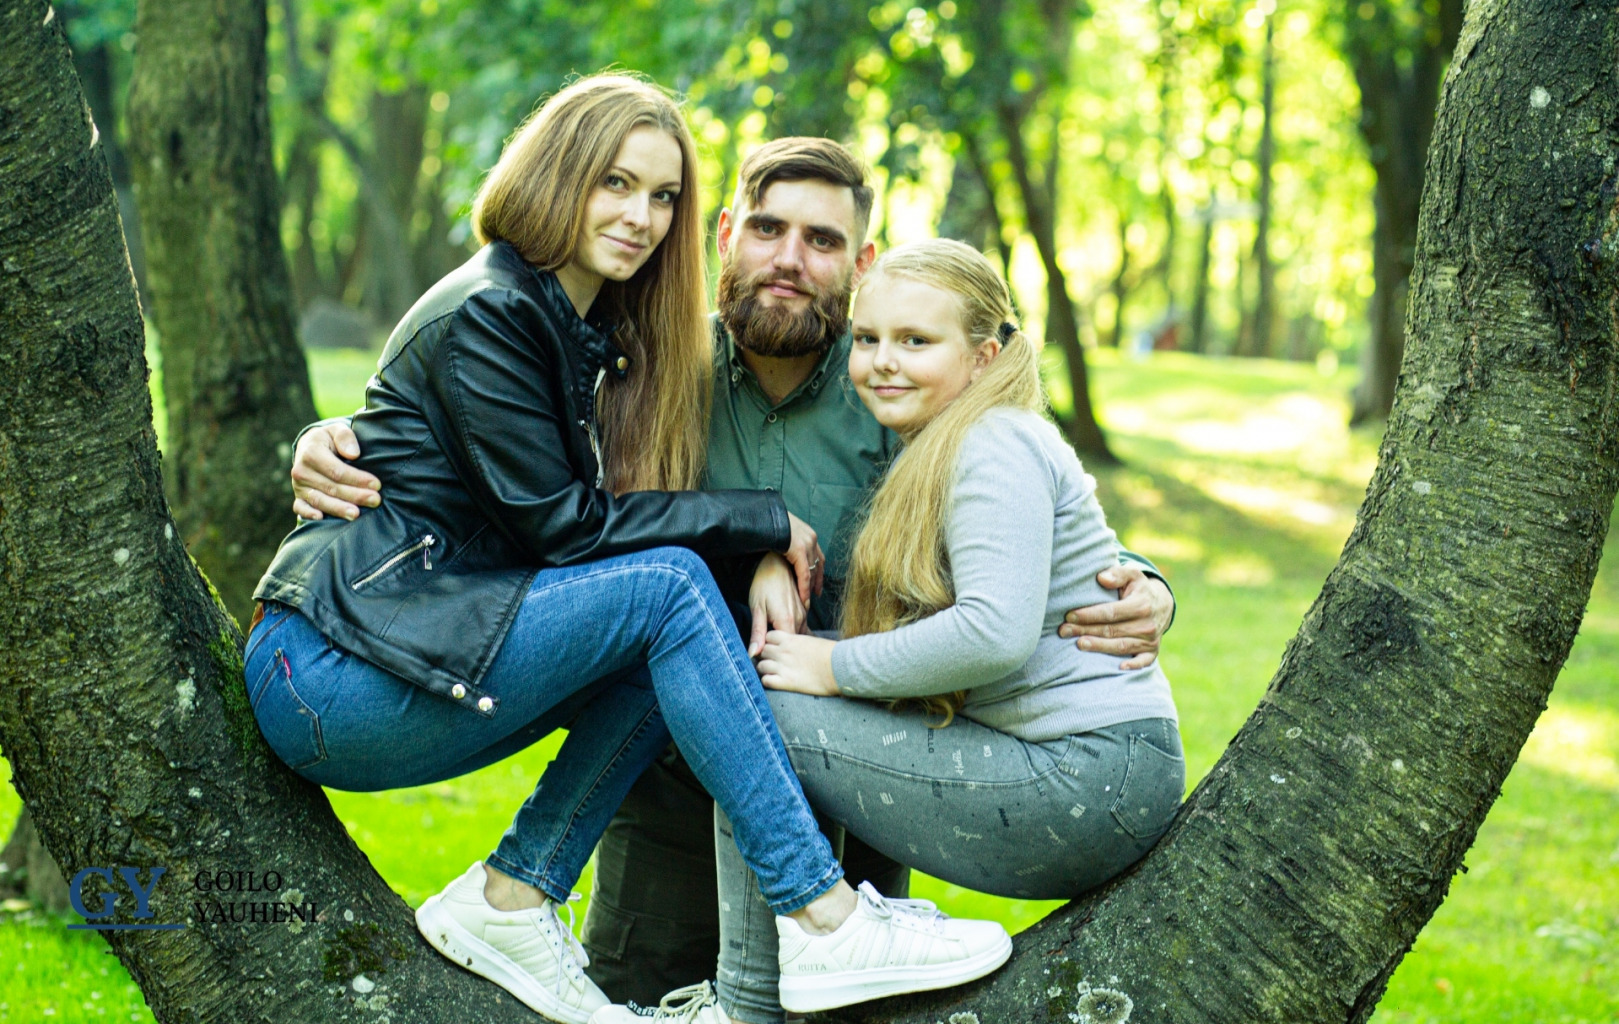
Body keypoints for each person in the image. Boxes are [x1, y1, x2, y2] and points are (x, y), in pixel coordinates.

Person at [290, 136, 1180, 1006]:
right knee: (631, 994)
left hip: (841, 782)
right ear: (724, 233)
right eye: (767, 228)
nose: (789, 259)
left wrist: (1141, 581)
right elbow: (501, 454)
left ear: (859, 261)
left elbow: (1021, 503)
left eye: (822, 241)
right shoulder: (637, 371)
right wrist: (333, 442)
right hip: (660, 781)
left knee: (838, 1003)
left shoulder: (896, 378)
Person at [591, 240, 1185, 1023]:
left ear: (982, 356)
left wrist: (831, 666)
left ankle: (747, 1006)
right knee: (766, 708)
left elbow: (991, 635)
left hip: (1086, 779)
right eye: (867, 340)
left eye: (915, 342)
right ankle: (808, 973)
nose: (881, 363)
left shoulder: (994, 441)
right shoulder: (944, 443)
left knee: (755, 716)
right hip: (1072, 771)